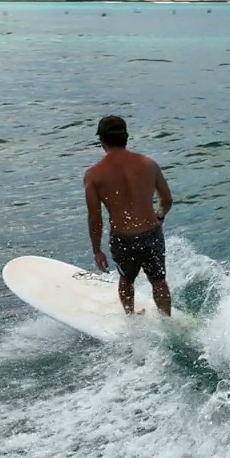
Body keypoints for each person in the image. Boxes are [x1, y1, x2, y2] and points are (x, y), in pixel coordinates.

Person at [83, 115, 174, 316]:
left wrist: (97, 250)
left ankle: (131, 318)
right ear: (126, 137)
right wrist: (159, 216)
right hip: (151, 232)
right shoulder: (149, 164)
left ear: (102, 140)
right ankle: (167, 321)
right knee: (158, 280)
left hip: (123, 238)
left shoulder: (94, 175)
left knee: (126, 280)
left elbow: (95, 218)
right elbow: (167, 200)